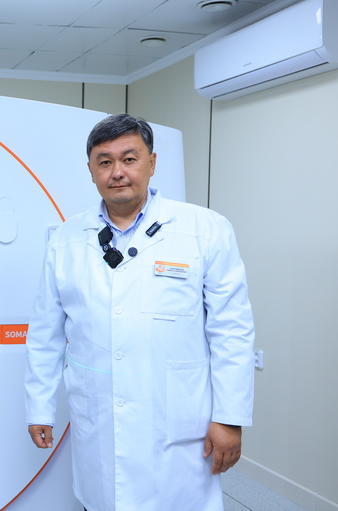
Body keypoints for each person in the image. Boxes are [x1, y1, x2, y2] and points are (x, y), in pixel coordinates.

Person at [24, 114, 255, 511]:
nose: (117, 172)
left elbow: (231, 330)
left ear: (152, 162)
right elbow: (45, 333)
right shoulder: (66, 239)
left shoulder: (205, 229)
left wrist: (229, 417)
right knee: (103, 500)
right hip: (98, 416)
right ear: (91, 170)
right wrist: (39, 408)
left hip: (178, 420)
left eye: (129, 159)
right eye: (105, 161)